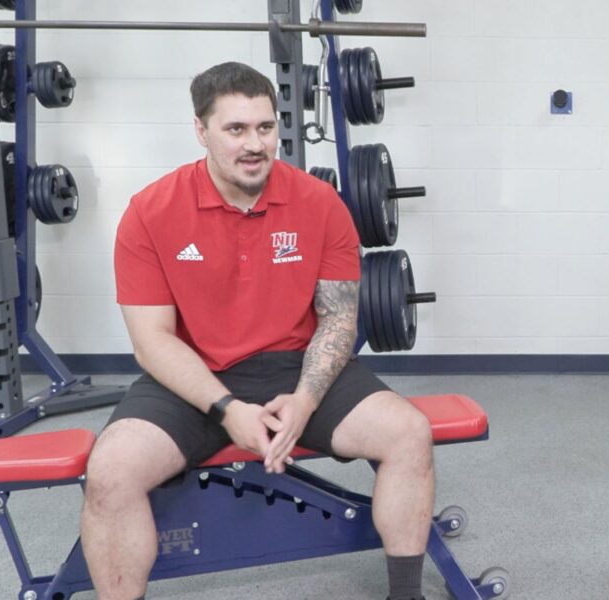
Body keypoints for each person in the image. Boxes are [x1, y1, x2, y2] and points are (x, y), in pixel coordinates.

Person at [80, 62, 434, 600]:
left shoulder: (320, 204)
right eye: (236, 129)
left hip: (297, 365)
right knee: (110, 472)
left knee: (409, 434)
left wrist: (307, 399)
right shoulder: (150, 212)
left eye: (265, 128)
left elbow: (338, 319)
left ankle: (406, 595)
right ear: (201, 130)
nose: (255, 145)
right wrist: (226, 409)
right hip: (193, 375)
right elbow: (152, 340)